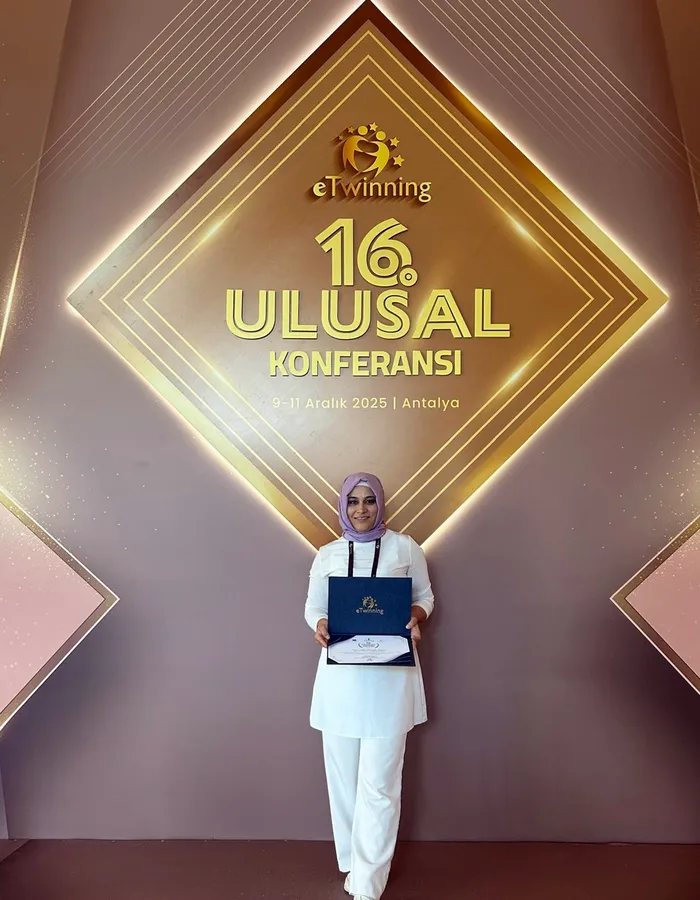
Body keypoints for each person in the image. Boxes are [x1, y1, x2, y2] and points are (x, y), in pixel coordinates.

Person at [304, 472, 435, 900]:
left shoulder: (406, 548)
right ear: (343, 506)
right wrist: (319, 623)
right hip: (340, 680)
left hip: (390, 679)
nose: (362, 509)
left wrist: (415, 616)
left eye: (370, 500)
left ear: (381, 504)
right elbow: (313, 606)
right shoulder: (327, 554)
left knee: (380, 785)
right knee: (343, 781)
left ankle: (367, 883)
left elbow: (426, 597)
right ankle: (351, 863)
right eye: (353, 501)